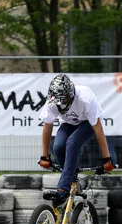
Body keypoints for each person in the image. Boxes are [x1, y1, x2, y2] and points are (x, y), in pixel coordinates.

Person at [38, 74, 115, 205]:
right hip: (68, 123)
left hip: (88, 123)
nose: (60, 103)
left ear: (70, 94)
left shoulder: (85, 98)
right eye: (58, 101)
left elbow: (98, 130)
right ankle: (71, 178)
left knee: (72, 143)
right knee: (57, 147)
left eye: (63, 100)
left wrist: (107, 159)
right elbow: (47, 127)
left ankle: (63, 188)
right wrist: (44, 156)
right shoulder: (52, 101)